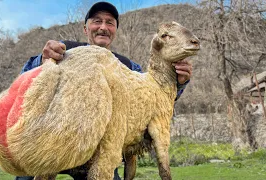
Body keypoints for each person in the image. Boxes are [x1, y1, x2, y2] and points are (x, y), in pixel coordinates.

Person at [15, 2, 192, 180]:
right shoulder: (65, 50)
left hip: (102, 151)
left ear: (115, 30)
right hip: (57, 141)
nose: (103, 27)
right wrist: (42, 60)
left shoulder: (129, 67)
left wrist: (178, 82)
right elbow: (25, 81)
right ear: (85, 28)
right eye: (97, 21)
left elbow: (155, 102)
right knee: (28, 173)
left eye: (109, 22)